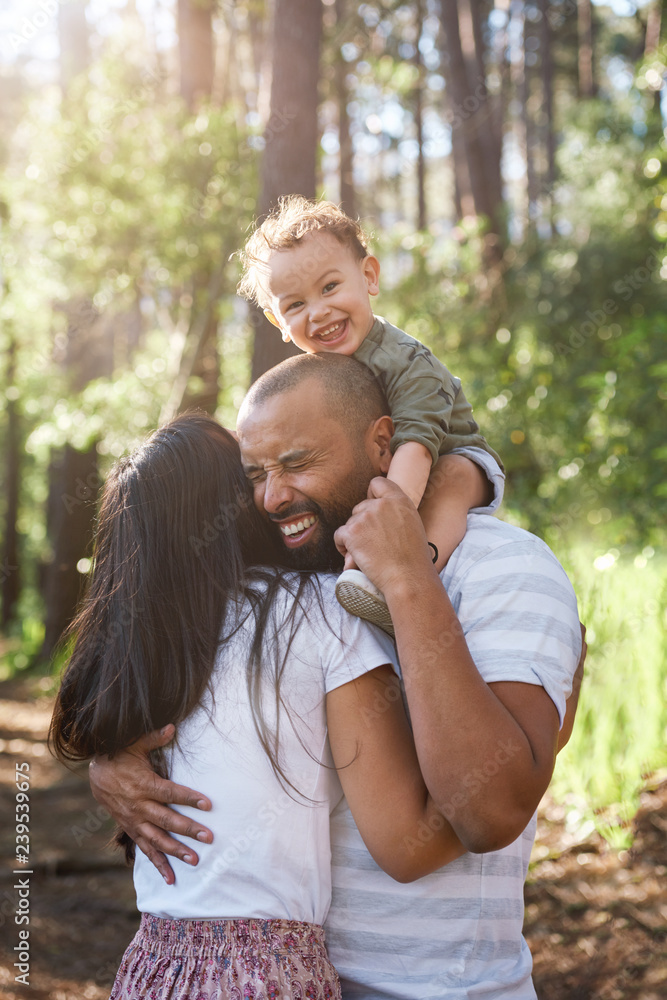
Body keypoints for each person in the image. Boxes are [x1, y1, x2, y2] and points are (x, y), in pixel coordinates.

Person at [90, 355, 584, 1000]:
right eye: (255, 476)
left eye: (297, 463)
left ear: (383, 443)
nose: (271, 497)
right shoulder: (297, 591)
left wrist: (409, 576)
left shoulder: (504, 569)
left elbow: (490, 813)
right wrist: (110, 759)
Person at [50, 412, 475, 1000]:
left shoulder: (142, 655)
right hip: (265, 975)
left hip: (151, 969)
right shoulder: (322, 612)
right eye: (249, 475)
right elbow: (408, 845)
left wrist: (103, 762)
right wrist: (524, 762)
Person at [237, 195, 504, 634]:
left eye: (329, 287)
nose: (319, 312)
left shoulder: (406, 361)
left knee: (450, 483)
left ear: (369, 276)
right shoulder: (310, 381)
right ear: (277, 322)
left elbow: (416, 448)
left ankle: (416, 568)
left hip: (451, 453)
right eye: (296, 306)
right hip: (387, 465)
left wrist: (384, 528)